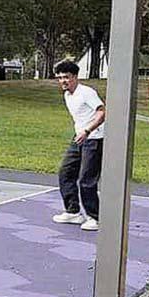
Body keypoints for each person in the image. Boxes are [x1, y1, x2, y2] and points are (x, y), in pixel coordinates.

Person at [53, 61, 105, 232]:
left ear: (75, 77)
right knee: (65, 172)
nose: (63, 81)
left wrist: (87, 131)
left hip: (94, 138)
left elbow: (102, 112)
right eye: (60, 78)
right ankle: (73, 211)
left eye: (66, 77)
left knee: (86, 180)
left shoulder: (87, 92)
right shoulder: (67, 95)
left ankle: (95, 217)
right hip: (79, 138)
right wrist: (81, 133)